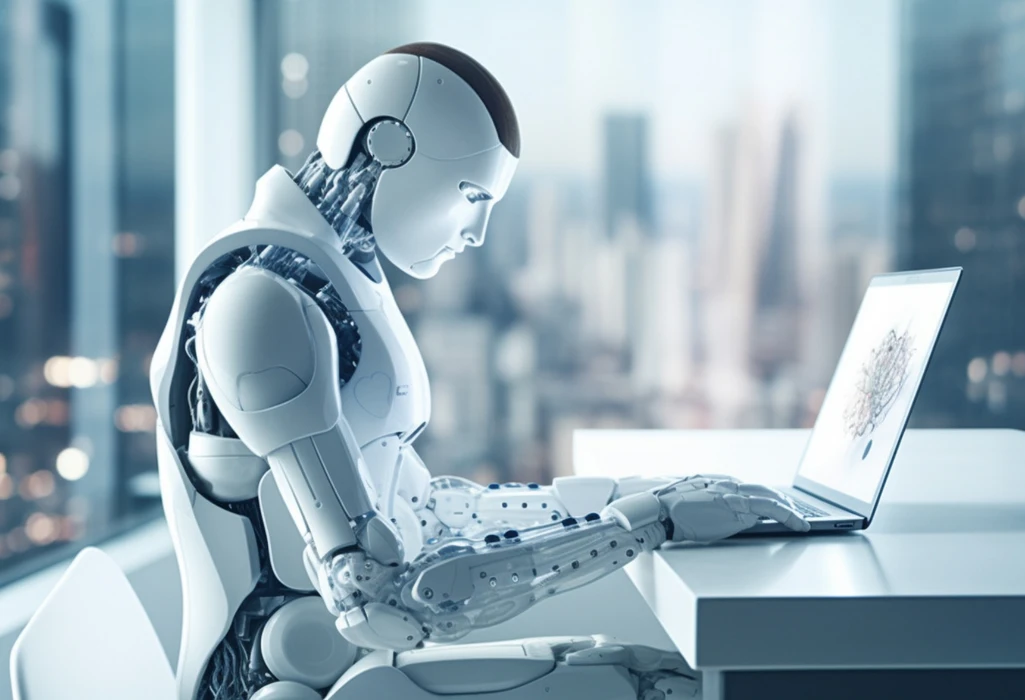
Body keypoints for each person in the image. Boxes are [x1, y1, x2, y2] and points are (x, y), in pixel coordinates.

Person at [150, 42, 810, 700]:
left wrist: (643, 494)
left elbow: (428, 513)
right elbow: (380, 596)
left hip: (345, 669)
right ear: (388, 144)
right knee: (666, 685)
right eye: (470, 195)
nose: (477, 232)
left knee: (666, 678)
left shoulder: (322, 278)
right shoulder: (261, 302)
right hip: (290, 681)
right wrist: (649, 521)